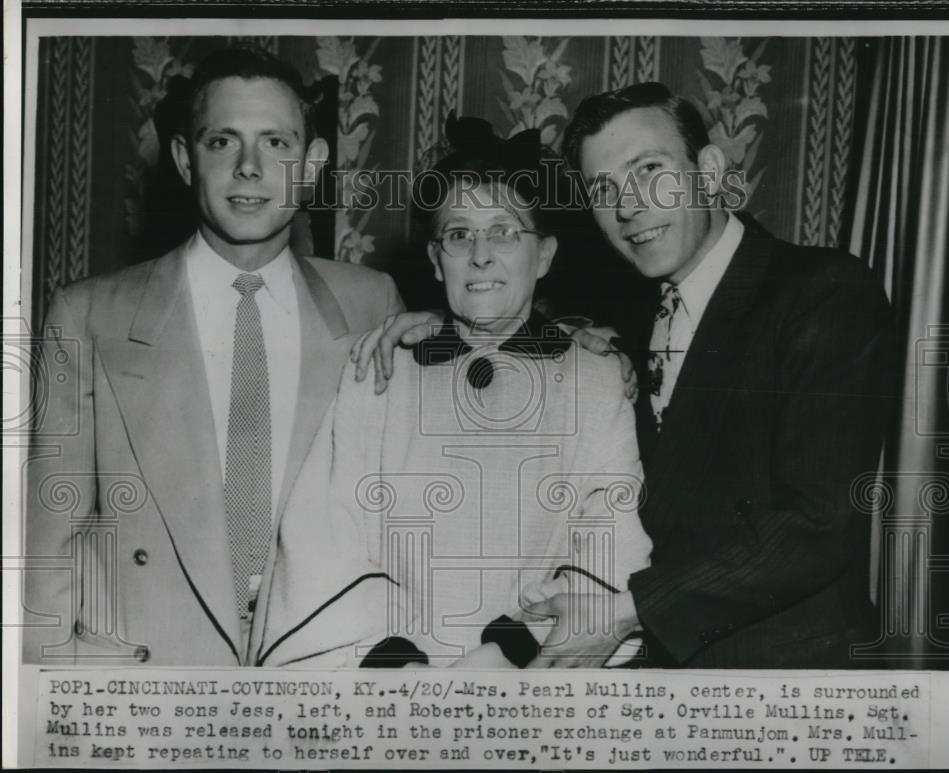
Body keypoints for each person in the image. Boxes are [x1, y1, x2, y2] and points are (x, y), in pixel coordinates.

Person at [354, 83, 896, 669]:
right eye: (604, 189)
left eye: (650, 170)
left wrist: (628, 612)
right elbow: (534, 336)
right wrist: (444, 323)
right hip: (658, 679)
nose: (628, 205)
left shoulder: (821, 290)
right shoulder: (633, 315)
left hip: (785, 676)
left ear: (709, 170)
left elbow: (820, 522)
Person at [22, 45, 404, 667]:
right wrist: (49, 701)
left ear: (311, 164)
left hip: (318, 682)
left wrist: (570, 343)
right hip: (145, 682)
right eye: (223, 141)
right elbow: (48, 534)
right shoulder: (90, 315)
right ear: (183, 159)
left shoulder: (371, 302)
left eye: (276, 143)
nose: (249, 167)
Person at [331, 113, 652, 668]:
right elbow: (327, 532)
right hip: (385, 677)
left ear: (544, 255)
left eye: (505, 231)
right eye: (458, 234)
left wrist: (515, 647)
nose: (481, 254)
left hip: (531, 678)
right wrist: (389, 660)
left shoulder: (597, 384)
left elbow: (611, 541)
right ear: (436, 261)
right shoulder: (380, 372)